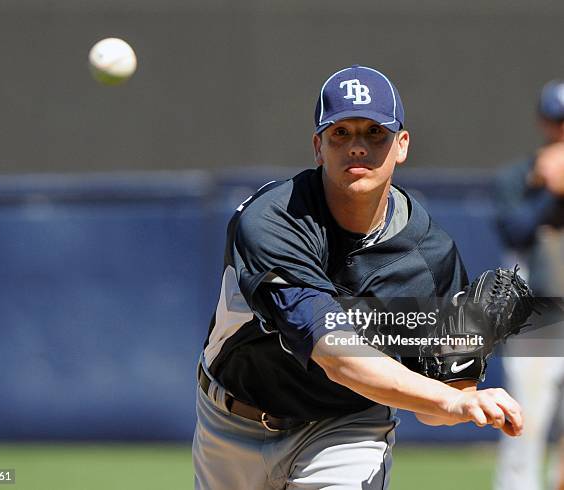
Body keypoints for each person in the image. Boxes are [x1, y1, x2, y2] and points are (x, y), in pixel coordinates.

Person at [193, 65, 524, 490]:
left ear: (401, 145)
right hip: (232, 418)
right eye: (341, 133)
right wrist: (448, 397)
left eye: (374, 133)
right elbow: (334, 354)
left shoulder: (430, 258)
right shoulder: (273, 220)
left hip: (346, 428)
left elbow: (437, 409)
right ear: (318, 146)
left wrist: (465, 376)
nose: (357, 147)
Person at [493, 80, 564, 490]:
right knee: (526, 426)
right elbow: (514, 232)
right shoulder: (521, 176)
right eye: (557, 121)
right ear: (543, 122)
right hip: (539, 312)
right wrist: (546, 193)